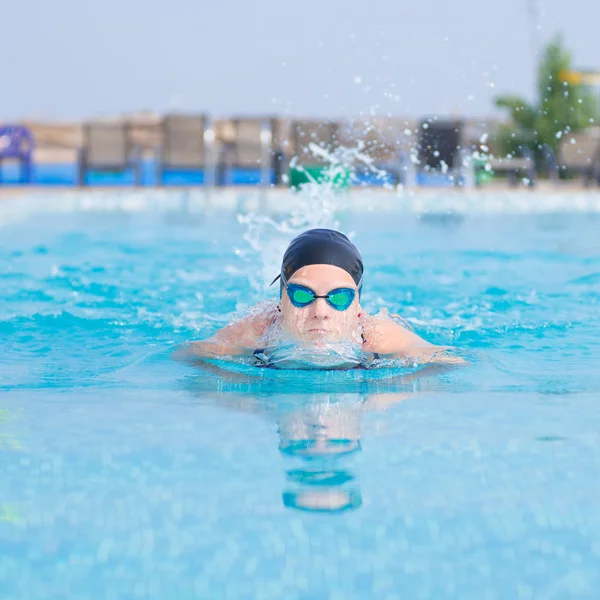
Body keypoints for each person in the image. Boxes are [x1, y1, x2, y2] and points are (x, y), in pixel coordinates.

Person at [177, 228, 461, 365]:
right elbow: (191, 355)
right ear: (281, 302)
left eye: (338, 298)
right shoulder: (259, 329)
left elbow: (450, 363)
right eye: (302, 295)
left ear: (358, 307)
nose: (320, 311)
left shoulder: (374, 336)